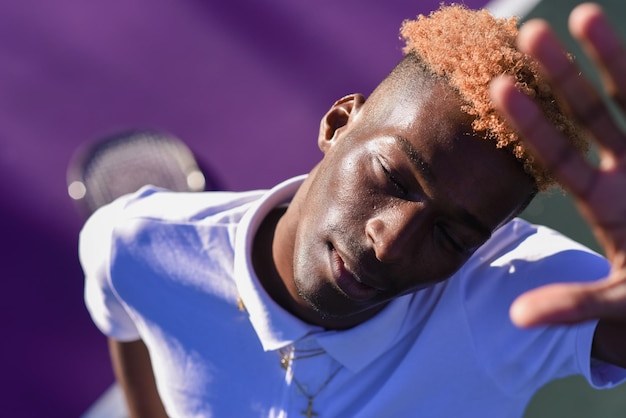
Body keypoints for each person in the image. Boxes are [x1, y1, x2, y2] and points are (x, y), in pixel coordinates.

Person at [79, 3, 626, 417]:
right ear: (338, 125)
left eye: (454, 238)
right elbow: (131, 331)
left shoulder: (520, 292)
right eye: (391, 176)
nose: (390, 243)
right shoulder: (132, 244)